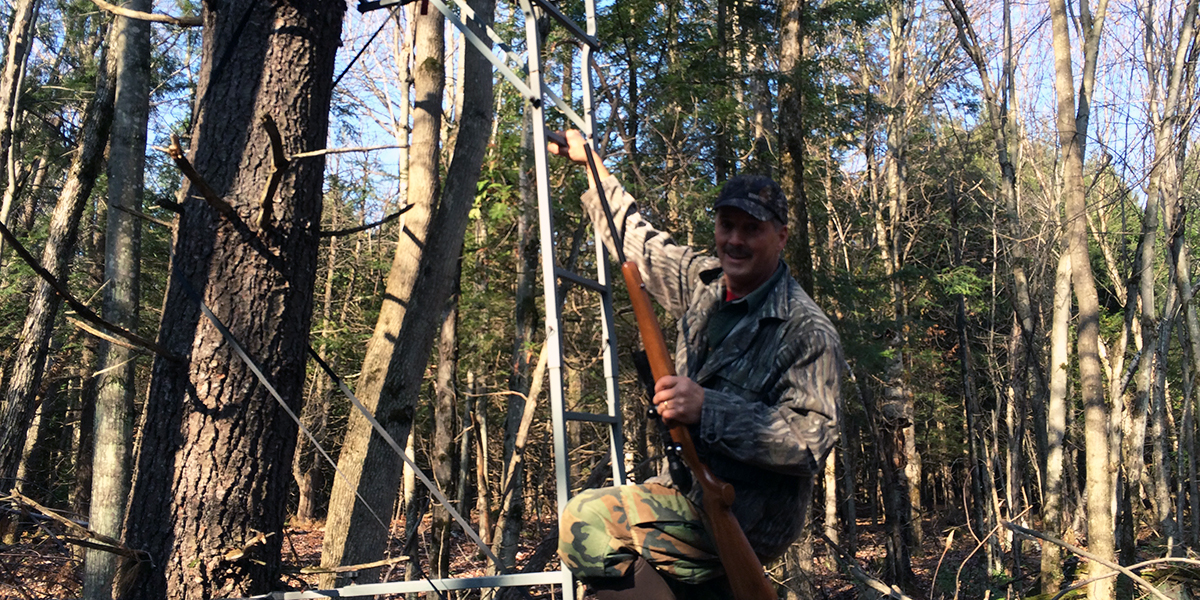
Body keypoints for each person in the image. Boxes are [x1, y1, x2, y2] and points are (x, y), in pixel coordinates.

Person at [548, 130, 845, 600]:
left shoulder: (805, 330)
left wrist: (708, 408)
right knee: (611, 586)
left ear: (781, 236)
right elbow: (637, 243)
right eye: (727, 225)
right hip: (685, 493)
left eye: (752, 229)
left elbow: (812, 442)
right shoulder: (702, 282)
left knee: (587, 521)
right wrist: (592, 167)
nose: (735, 240)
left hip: (749, 513)